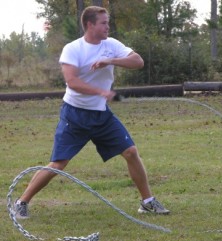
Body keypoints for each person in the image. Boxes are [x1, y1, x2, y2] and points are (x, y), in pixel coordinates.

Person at [14, 6, 169, 219]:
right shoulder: (73, 48)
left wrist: (111, 60)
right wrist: (101, 92)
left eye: (108, 22)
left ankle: (147, 202)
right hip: (75, 114)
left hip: (101, 115)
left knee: (131, 152)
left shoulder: (111, 45)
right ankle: (22, 202)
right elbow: (72, 81)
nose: (108, 26)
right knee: (59, 163)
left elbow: (138, 61)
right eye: (104, 23)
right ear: (90, 24)